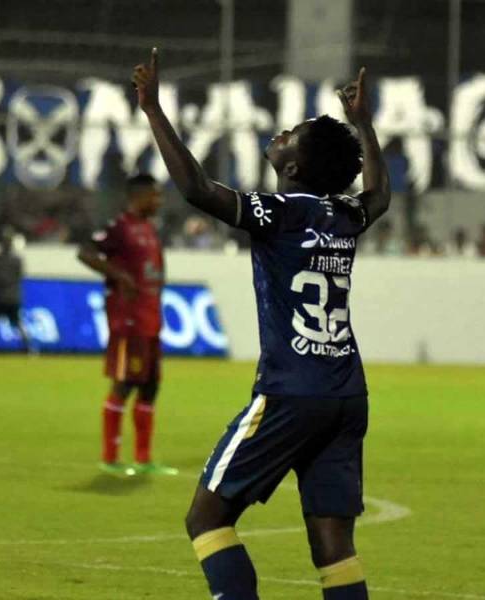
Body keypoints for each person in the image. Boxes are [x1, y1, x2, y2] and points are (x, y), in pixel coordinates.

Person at [133, 48, 388, 600]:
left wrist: (153, 109)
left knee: (206, 517)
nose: (281, 134)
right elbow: (379, 196)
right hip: (346, 394)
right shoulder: (344, 215)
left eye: (290, 136)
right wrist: (364, 126)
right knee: (333, 545)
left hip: (291, 391)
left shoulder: (281, 211)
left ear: (293, 167)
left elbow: (197, 189)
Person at [77, 174, 176, 477]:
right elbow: (85, 253)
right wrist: (118, 276)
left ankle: (143, 459)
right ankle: (110, 457)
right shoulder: (119, 227)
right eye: (155, 196)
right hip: (129, 319)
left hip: (150, 319)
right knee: (125, 383)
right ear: (139, 196)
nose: (159, 201)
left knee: (151, 385)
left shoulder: (148, 228)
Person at [0, 229, 30, 352]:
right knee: (17, 323)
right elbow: (20, 277)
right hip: (13, 296)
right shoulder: (17, 259)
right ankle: (28, 347)